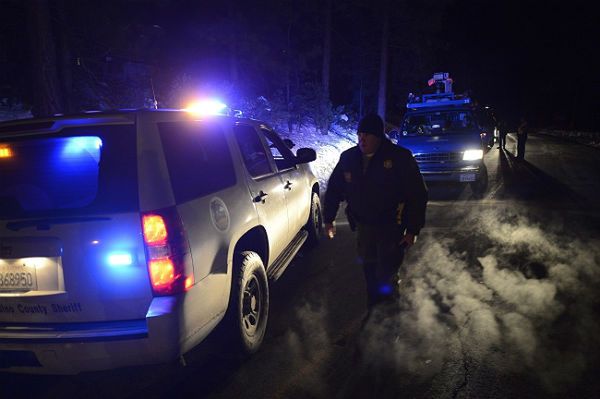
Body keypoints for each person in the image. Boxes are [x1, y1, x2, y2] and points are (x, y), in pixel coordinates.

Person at [323, 113, 428, 308]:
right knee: (369, 268)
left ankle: (390, 314)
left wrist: (413, 229)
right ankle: (374, 308)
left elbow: (418, 194)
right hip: (364, 226)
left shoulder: (400, 158)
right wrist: (329, 219)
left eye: (367, 135)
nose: (362, 139)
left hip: (392, 226)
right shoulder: (349, 158)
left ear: (378, 137)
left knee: (386, 273)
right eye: (360, 134)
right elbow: (334, 189)